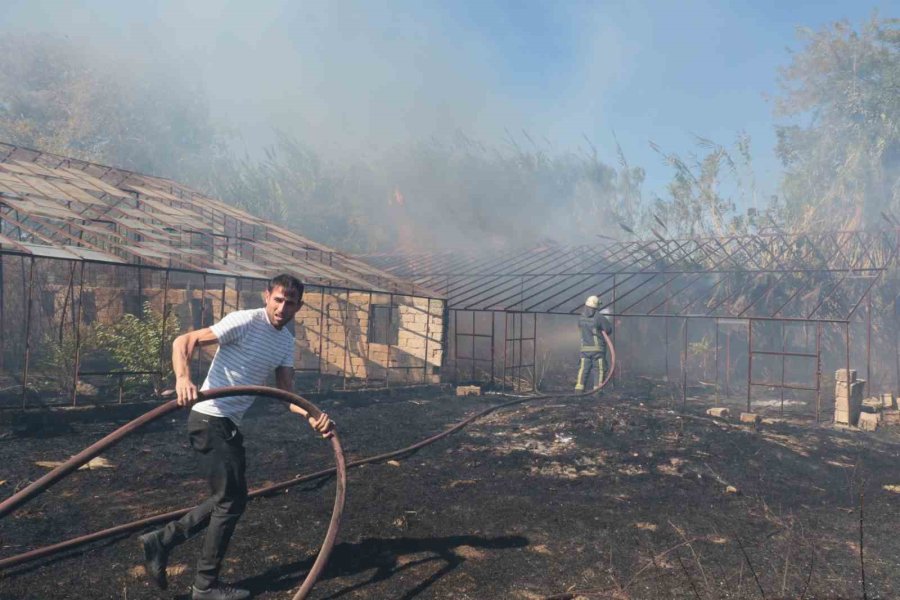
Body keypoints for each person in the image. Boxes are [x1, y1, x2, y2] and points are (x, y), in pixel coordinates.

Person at [138, 273, 333, 600]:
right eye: (279, 300)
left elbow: (287, 395)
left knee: (231, 498)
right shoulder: (244, 321)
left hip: (227, 424)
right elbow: (182, 342)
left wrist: (312, 415)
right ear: (267, 296)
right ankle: (204, 586)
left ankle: (163, 540)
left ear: (299, 307)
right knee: (230, 500)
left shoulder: (285, 342)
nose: (283, 308)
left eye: (291, 303)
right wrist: (183, 379)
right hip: (210, 418)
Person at [574, 295, 613, 392]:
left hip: (585, 349)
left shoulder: (581, 317)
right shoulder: (599, 317)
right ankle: (597, 392)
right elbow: (608, 330)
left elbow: (580, 327)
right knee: (599, 370)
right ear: (596, 306)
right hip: (597, 350)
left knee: (583, 369)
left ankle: (578, 391)